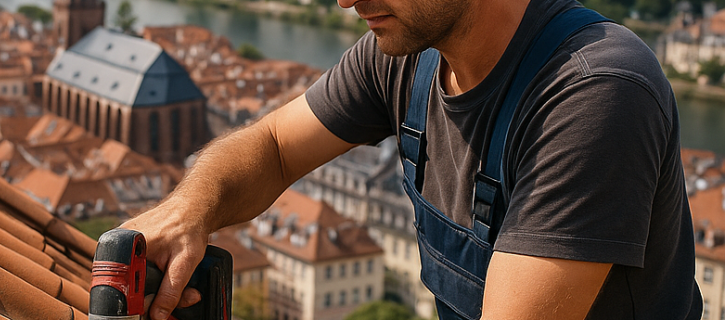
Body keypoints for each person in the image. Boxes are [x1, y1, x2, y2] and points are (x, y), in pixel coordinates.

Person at [119, 0, 703, 318]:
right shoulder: (406, 55)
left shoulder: (594, 93)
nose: (346, 0)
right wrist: (189, 209)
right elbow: (271, 146)